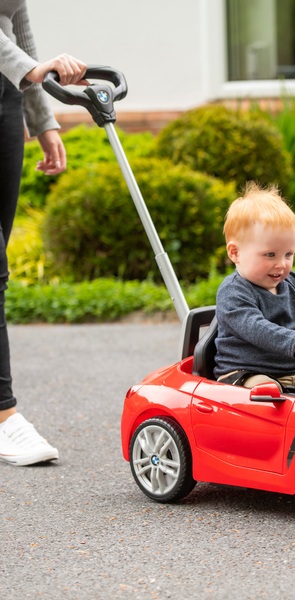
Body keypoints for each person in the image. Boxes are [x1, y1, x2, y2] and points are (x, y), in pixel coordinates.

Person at [0, 1, 87, 465]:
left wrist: (42, 118)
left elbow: (16, 26)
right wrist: (33, 69)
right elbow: (25, 55)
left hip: (5, 98)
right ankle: (4, 417)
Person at [214, 182, 295, 390]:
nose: (281, 264)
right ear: (235, 253)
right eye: (270, 255)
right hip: (246, 372)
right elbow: (256, 328)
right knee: (267, 393)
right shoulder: (233, 292)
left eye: (288, 254)